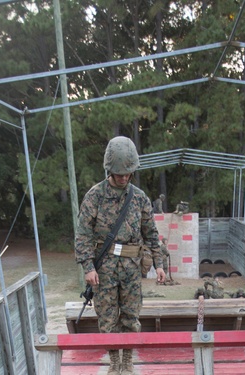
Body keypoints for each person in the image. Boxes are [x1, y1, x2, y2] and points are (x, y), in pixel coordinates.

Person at [75, 136, 166, 375]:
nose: (123, 178)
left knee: (131, 316)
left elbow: (151, 233)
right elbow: (82, 233)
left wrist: (159, 264)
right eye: (118, 174)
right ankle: (114, 363)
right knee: (106, 318)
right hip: (103, 269)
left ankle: (128, 362)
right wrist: (88, 267)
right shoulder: (94, 196)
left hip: (131, 268)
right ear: (109, 170)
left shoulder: (139, 198)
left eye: (127, 173)